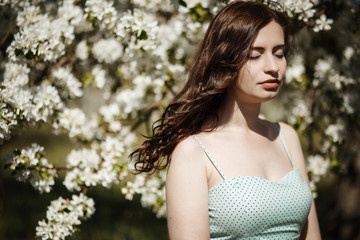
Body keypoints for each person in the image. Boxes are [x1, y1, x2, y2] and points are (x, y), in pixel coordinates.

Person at [130, 0, 321, 239]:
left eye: (279, 53)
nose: (273, 67)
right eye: (255, 55)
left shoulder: (286, 136)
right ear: (225, 61)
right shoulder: (193, 152)